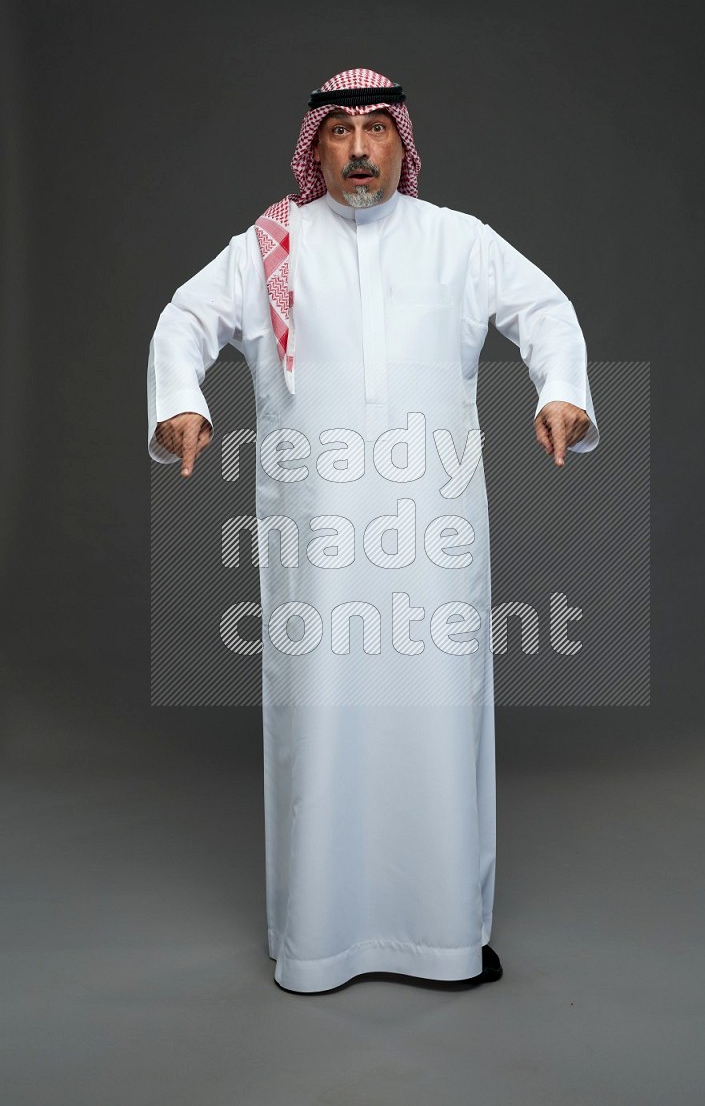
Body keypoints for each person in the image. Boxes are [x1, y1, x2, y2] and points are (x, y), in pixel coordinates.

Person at [146, 67, 599, 994]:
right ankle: (318, 939)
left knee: (440, 717)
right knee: (321, 719)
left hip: (432, 535)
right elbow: (185, 319)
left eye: (376, 129)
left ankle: (444, 938)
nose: (359, 148)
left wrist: (559, 391)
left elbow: (544, 311)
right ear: (314, 148)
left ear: (402, 142)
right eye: (341, 131)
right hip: (316, 540)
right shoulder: (271, 245)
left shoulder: (458, 243)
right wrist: (180, 402)